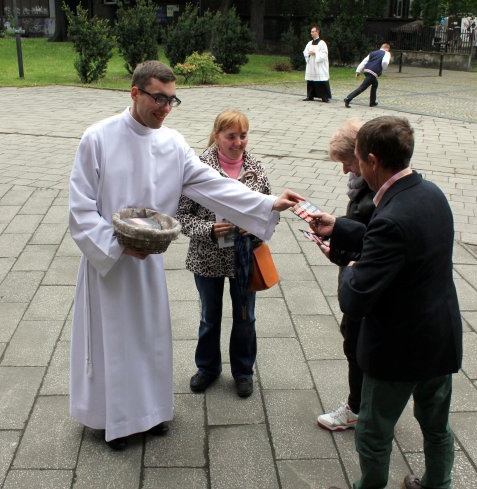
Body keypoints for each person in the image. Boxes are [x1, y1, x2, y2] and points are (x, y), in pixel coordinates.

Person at [68, 60, 304, 451]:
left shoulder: (172, 143)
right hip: (108, 264)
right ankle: (115, 419)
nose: (165, 107)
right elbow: (79, 209)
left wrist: (267, 203)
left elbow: (211, 185)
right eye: (158, 98)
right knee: (115, 340)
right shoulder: (97, 138)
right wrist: (117, 245)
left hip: (148, 265)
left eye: (171, 99)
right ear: (135, 93)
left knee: (150, 339)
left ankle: (151, 413)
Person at [312, 116, 462, 489]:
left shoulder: (391, 216)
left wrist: (349, 264)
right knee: (435, 424)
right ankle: (437, 484)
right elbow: (399, 242)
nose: (357, 167)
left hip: (398, 348)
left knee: (374, 433)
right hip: (439, 337)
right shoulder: (430, 193)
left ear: (373, 161)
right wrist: (341, 225)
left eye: (359, 160)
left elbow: (355, 297)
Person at [175, 109, 269, 399]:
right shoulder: (198, 167)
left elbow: (267, 210)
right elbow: (180, 216)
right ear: (216, 136)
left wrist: (252, 228)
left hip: (244, 256)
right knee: (209, 316)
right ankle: (208, 368)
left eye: (243, 135)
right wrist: (209, 230)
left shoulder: (255, 167)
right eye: (231, 136)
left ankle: (243, 371)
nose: (238, 142)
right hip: (207, 256)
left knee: (245, 317)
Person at [314, 119, 375, 432]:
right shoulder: (364, 187)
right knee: (353, 341)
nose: (345, 170)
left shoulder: (378, 193)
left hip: (365, 289)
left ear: (366, 157)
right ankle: (367, 404)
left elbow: (376, 239)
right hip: (355, 280)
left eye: (348, 162)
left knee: (356, 345)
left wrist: (339, 230)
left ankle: (357, 408)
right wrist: (335, 242)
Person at [344, 43, 391, 108]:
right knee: (362, 87)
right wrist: (383, 69)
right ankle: (348, 98)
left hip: (366, 71)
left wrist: (358, 71)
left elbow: (364, 62)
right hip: (373, 72)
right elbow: (385, 62)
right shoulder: (387, 53)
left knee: (375, 84)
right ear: (387, 48)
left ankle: (372, 102)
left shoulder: (373, 53)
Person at [302, 26, 331, 103]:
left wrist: (315, 53)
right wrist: (308, 53)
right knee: (311, 80)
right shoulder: (309, 43)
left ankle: (324, 97)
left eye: (313, 31)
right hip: (311, 64)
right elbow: (305, 52)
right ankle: (310, 96)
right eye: (311, 31)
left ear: (317, 32)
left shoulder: (322, 43)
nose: (311, 33)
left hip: (319, 65)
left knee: (321, 80)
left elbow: (324, 54)